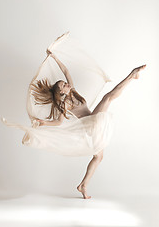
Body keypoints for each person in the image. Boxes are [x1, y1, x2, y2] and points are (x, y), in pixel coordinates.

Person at [32, 51, 146, 199]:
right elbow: (59, 122)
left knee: (99, 157)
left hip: (93, 123)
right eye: (63, 85)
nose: (66, 84)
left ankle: (83, 185)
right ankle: (132, 75)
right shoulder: (65, 104)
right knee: (107, 98)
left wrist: (55, 58)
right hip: (90, 124)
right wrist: (43, 123)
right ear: (61, 92)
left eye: (64, 82)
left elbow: (66, 71)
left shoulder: (72, 90)